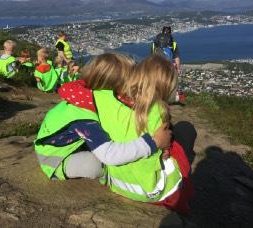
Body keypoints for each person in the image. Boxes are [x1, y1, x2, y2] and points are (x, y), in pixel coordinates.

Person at [59, 54, 196, 214]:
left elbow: (71, 89)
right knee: (186, 129)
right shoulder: (158, 110)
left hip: (118, 185)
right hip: (150, 190)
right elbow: (161, 144)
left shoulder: (103, 100)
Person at [34, 52, 172, 180]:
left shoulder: (91, 100)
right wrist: (153, 143)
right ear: (111, 89)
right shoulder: (84, 116)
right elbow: (109, 155)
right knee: (94, 166)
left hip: (77, 143)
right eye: (129, 85)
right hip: (55, 158)